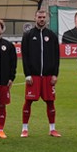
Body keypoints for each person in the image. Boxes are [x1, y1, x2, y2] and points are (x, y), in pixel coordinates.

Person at [21, 9, 61, 137]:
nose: (42, 19)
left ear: (46, 19)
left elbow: (57, 56)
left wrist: (55, 74)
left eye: (44, 17)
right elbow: (25, 56)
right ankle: (25, 129)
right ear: (35, 18)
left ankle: (52, 129)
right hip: (34, 75)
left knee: (50, 102)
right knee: (28, 101)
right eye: (39, 17)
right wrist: (27, 74)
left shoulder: (52, 35)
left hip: (49, 76)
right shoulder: (28, 35)